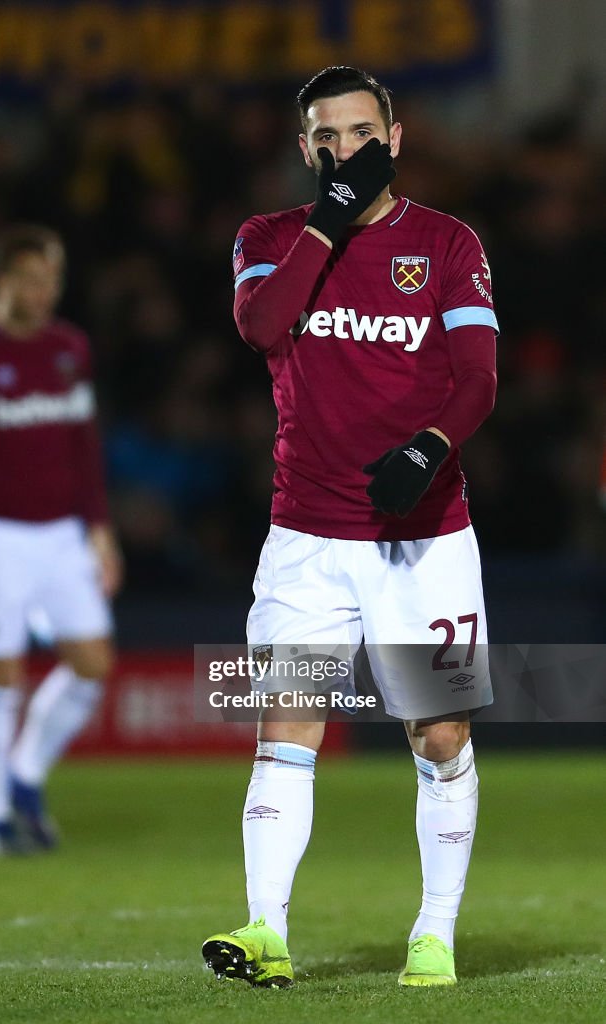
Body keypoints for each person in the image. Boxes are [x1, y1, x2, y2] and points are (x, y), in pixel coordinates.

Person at [202, 67, 498, 988]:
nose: (345, 152)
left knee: (438, 737)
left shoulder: (446, 244)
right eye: (327, 138)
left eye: (361, 134)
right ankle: (265, 931)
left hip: (424, 538)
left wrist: (431, 444)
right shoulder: (270, 238)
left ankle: (435, 933)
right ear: (304, 149)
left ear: (394, 138)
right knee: (284, 727)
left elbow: (478, 378)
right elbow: (261, 324)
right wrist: (328, 221)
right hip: (306, 539)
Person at [0, 224, 123, 856]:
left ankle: (24, 774)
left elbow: (82, 445)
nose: (44, 292)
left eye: (52, 279)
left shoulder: (69, 348)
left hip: (62, 534)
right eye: (32, 279)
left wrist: (99, 530)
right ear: (1, 279)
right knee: (0, 669)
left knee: (93, 663)